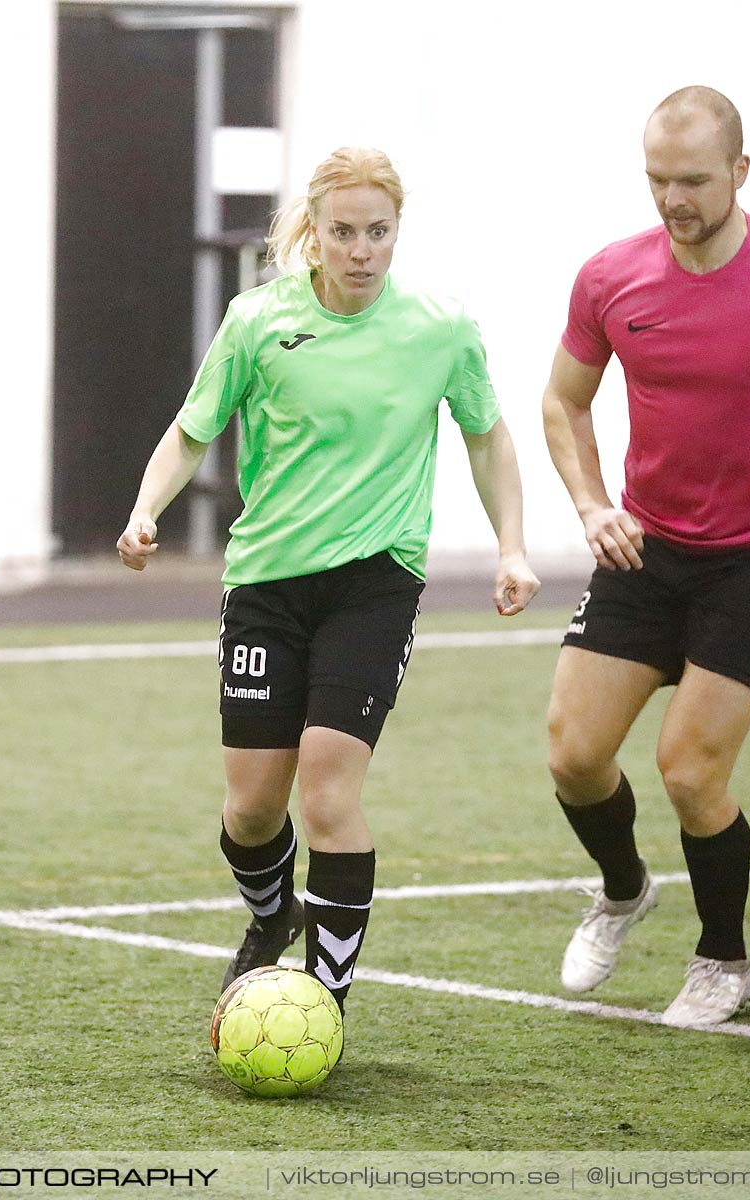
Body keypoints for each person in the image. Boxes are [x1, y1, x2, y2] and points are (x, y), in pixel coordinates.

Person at [117, 146, 541, 1017]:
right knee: (250, 810)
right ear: (314, 231)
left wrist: (512, 546)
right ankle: (270, 919)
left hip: (376, 580)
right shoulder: (257, 322)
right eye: (343, 232)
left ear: (396, 232)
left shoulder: (441, 327)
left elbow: (488, 435)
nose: (360, 251)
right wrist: (145, 508)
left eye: (377, 233)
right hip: (268, 583)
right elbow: (192, 429)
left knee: (328, 786)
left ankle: (327, 1000)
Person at [538, 87, 750, 1027]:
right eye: (657, 180)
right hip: (648, 547)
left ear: (740, 170)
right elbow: (562, 403)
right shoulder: (612, 277)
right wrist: (590, 503)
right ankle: (622, 891)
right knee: (573, 754)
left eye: (692, 179)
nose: (673, 199)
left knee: (688, 770)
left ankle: (723, 962)